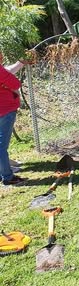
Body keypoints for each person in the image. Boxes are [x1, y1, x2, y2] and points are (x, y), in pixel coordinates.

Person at [0, 51, 28, 186]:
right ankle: (7, 176)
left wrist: (20, 63)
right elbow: (16, 83)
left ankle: (3, 173)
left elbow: (7, 73)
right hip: (4, 111)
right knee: (1, 147)